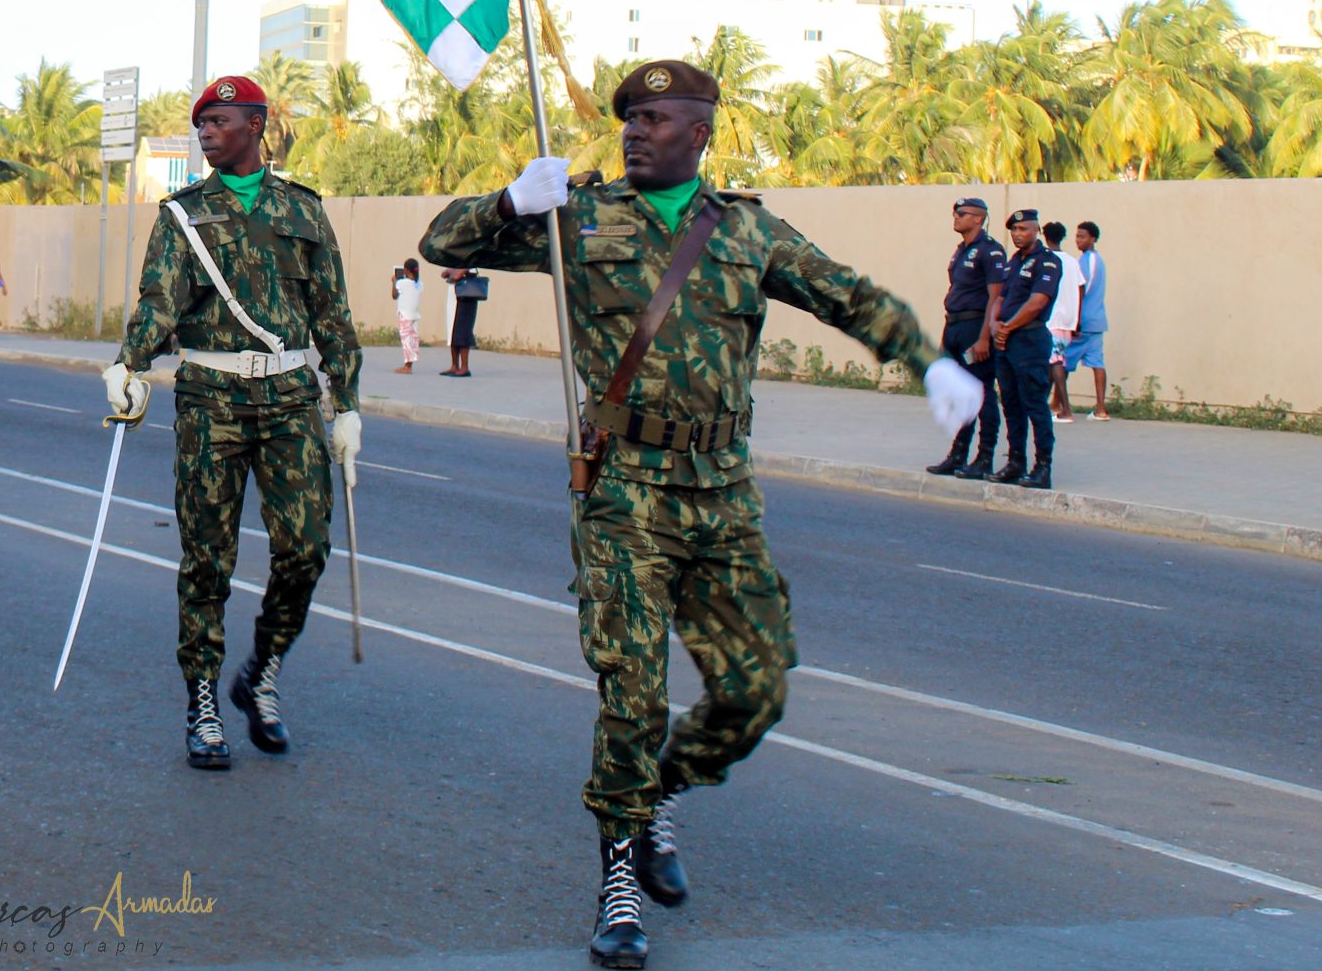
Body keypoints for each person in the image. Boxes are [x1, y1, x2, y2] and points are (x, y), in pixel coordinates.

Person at [417, 59, 981, 971]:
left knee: (755, 690)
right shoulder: (582, 218)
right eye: (629, 117)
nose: (636, 130)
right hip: (623, 491)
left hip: (722, 492)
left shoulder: (747, 230)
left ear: (701, 131)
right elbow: (444, 243)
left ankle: (662, 792)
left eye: (655, 117)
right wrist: (509, 203)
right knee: (632, 692)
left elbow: (848, 294)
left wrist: (929, 363)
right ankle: (620, 878)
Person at [106, 74, 363, 773]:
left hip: (287, 401)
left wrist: (348, 405)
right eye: (202, 125)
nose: (207, 134)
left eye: (219, 122)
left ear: (257, 125)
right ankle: (203, 700)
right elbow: (159, 297)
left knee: (306, 548)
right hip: (211, 397)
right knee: (207, 560)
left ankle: (264, 669)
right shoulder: (184, 213)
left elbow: (333, 312)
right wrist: (130, 364)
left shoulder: (303, 209)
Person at [925, 197, 1007, 479]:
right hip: (956, 326)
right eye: (955, 213)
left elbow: (995, 297)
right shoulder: (961, 250)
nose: (956, 217)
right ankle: (958, 455)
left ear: (978, 218)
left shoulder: (990, 251)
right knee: (958, 393)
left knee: (982, 392)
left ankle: (984, 457)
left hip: (976, 326)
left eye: (961, 213)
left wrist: (985, 337)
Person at [992, 208, 1063, 488]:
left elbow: (1037, 303)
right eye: (1014, 230)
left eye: (1024, 230)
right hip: (1006, 342)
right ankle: (1015, 462)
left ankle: (1042, 467)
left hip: (1029, 340)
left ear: (1037, 232)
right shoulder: (1012, 264)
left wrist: (1007, 328)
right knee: (1011, 404)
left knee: (1035, 404)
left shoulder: (1047, 262)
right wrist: (996, 325)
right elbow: (1001, 298)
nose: (1018, 235)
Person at [1043, 221, 1084, 423]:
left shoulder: (1046, 260)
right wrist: (1077, 319)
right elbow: (1080, 288)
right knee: (1053, 361)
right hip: (1067, 320)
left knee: (1056, 362)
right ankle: (1044, 405)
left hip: (1052, 319)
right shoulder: (1072, 261)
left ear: (1044, 235)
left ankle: (1066, 409)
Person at [1071, 221, 1110, 420]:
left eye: (1082, 236)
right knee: (1097, 363)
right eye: (1077, 236)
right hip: (1097, 321)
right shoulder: (1097, 260)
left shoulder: (1087, 260)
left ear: (1093, 238)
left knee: (1061, 362)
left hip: (1084, 321)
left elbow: (1081, 289)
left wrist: (1075, 319)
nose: (1078, 240)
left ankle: (1058, 406)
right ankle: (1101, 409)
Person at [439, 266, 487, 376]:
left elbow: (456, 276)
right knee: (453, 333)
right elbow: (444, 274)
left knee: (464, 332)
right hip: (455, 300)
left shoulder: (471, 263)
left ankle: (465, 367)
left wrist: (452, 272)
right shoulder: (456, 263)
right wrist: (451, 272)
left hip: (467, 299)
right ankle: (454, 365)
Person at [392, 258, 423, 373]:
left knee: (406, 340)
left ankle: (407, 366)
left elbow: (394, 295)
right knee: (413, 340)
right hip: (414, 315)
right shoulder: (419, 284)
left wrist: (394, 282)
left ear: (406, 270)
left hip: (405, 315)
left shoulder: (401, 283)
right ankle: (410, 363)